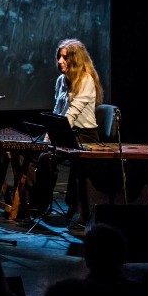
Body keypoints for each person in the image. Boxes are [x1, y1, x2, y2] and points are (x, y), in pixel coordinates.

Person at [28, 38, 104, 220]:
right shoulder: (61, 80)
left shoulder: (85, 80)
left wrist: (54, 137)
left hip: (84, 135)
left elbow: (72, 114)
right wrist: (48, 134)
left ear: (75, 60)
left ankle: (54, 206)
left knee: (47, 157)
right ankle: (34, 203)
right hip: (64, 131)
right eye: (59, 57)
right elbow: (57, 111)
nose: (60, 61)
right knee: (34, 153)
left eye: (65, 58)